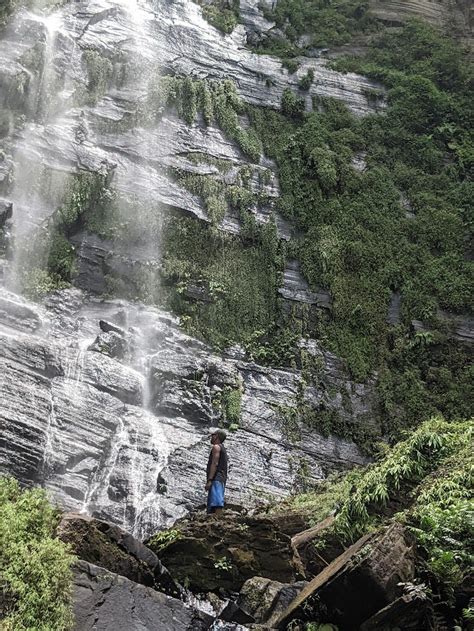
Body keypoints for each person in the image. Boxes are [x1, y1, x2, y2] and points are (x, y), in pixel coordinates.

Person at [205, 428, 228, 514]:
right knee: (214, 503)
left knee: (217, 503)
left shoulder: (216, 447)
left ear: (217, 436)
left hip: (216, 478)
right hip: (221, 478)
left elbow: (215, 463)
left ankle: (218, 521)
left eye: (213, 435)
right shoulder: (223, 449)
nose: (211, 437)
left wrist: (210, 480)